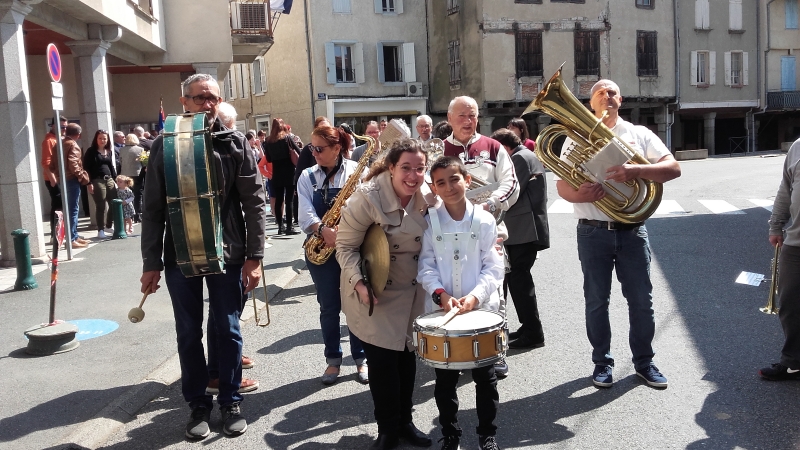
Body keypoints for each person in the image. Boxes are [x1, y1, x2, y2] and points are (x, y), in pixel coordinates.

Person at [140, 73, 266, 440]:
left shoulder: (235, 143)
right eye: (199, 98)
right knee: (187, 332)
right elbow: (152, 211)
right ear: (185, 103)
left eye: (212, 98)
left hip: (228, 252)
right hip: (179, 255)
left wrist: (254, 256)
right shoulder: (164, 145)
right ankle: (197, 405)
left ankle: (230, 401)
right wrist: (150, 263)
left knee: (227, 328)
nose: (207, 105)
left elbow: (255, 204)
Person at [556, 79, 681, 389]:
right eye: (600, 93)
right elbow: (561, 186)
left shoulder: (639, 135)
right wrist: (580, 195)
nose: (607, 96)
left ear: (620, 100)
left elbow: (673, 168)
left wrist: (636, 171)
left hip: (632, 231)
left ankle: (644, 362)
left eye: (612, 92)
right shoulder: (576, 138)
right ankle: (602, 363)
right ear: (591, 104)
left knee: (642, 301)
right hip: (592, 231)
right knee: (596, 301)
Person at [336, 139, 435, 449]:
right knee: (381, 364)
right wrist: (360, 283)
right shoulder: (367, 198)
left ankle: (405, 422)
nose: (413, 176)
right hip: (374, 290)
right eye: (405, 168)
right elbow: (345, 246)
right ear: (391, 167)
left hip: (414, 290)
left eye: (420, 169)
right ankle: (387, 429)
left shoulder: (430, 195)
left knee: (407, 360)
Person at [418, 156, 504, 450]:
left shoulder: (484, 219)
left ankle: (487, 433)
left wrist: (475, 296)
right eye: (440, 182)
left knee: (486, 377)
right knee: (445, 381)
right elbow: (425, 266)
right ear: (434, 188)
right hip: (444, 312)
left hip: (479, 311)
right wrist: (439, 293)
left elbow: (493, 266)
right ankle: (450, 433)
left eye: (454, 179)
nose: (449, 187)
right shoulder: (430, 221)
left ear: (467, 180)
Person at [298, 125, 368, 385]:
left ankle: (361, 359)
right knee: (329, 308)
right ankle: (333, 360)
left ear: (337, 148)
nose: (314, 153)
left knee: (358, 306)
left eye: (319, 148)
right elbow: (304, 213)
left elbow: (369, 207)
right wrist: (322, 229)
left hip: (353, 247)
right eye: (311, 147)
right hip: (320, 248)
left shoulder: (358, 172)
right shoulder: (307, 175)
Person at [491, 129, 550, 350]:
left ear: (504, 148)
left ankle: (534, 332)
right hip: (526, 229)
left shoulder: (519, 158)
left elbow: (509, 190)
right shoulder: (525, 155)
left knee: (520, 281)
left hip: (524, 230)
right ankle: (529, 328)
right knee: (519, 280)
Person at [762, 138, 800, 381]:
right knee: (789, 305)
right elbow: (786, 190)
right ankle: (794, 361)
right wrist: (776, 225)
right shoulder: (797, 147)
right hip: (796, 242)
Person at [444, 96, 519, 219]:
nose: (468, 121)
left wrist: (491, 204)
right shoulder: (438, 151)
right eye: (462, 115)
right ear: (449, 118)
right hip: (449, 225)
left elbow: (511, 182)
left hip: (489, 222)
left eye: (472, 116)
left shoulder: (493, 146)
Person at [50, 124, 91, 248]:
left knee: (69, 209)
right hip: (71, 179)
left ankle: (74, 235)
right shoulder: (72, 144)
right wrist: (81, 176)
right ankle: (72, 239)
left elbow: (51, 164)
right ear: (78, 134)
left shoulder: (59, 143)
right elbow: (73, 163)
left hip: (62, 179)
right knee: (73, 209)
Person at [264, 118, 300, 235]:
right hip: (289, 171)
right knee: (289, 200)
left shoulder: (268, 141)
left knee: (279, 200)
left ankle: (280, 226)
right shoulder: (287, 138)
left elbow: (268, 158)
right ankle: (290, 226)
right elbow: (298, 150)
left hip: (277, 172)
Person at [83, 130, 118, 239]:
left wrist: (116, 179)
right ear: (96, 139)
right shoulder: (91, 151)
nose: (102, 140)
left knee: (114, 203)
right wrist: (88, 183)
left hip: (109, 180)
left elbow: (111, 166)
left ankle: (108, 225)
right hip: (97, 180)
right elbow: (86, 168)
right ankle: (100, 230)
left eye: (104, 138)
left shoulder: (108, 150)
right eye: (100, 138)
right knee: (101, 205)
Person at [41, 116, 68, 243]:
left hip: (61, 177)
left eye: (65, 127)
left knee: (62, 206)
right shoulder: (49, 141)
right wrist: (53, 180)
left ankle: (63, 233)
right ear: (53, 126)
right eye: (62, 127)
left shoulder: (59, 139)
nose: (64, 129)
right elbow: (46, 163)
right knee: (57, 206)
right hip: (53, 179)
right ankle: (54, 235)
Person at [119, 134, 144, 223]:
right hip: (137, 174)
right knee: (138, 195)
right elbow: (143, 162)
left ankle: (129, 215)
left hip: (125, 174)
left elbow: (120, 162)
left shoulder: (121, 150)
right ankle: (138, 214)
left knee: (128, 195)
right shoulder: (140, 149)